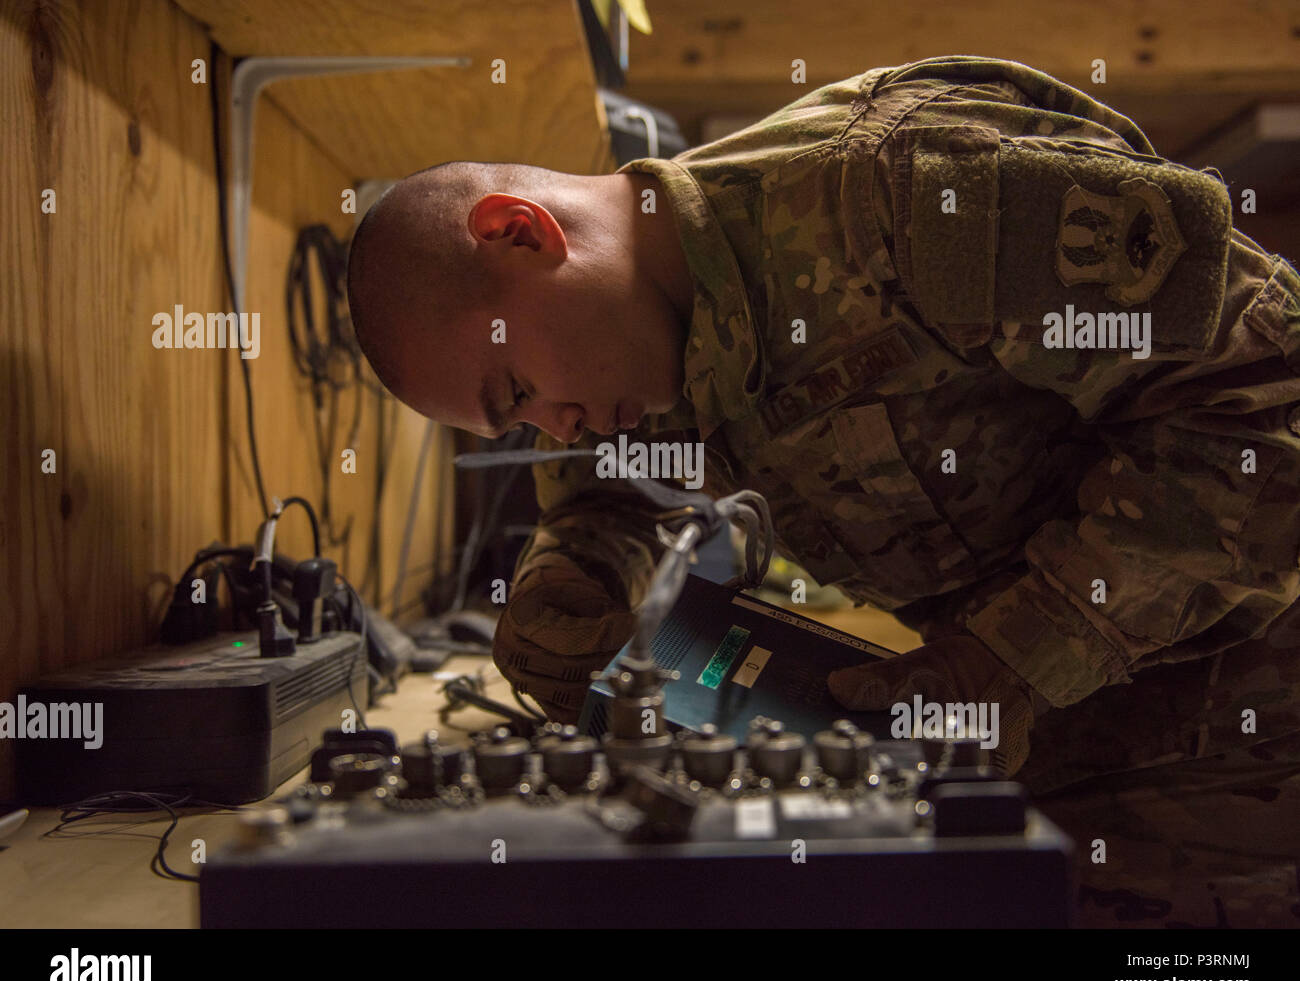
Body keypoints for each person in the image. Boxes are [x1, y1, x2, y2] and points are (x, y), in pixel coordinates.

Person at [346, 56, 1300, 927]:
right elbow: (610, 495)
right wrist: (573, 580)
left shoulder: (907, 195)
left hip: (1247, 718)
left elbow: (1258, 409)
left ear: (521, 232)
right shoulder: (629, 362)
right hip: (1040, 745)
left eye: (518, 392)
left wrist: (1008, 660)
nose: (557, 426)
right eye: (518, 425)